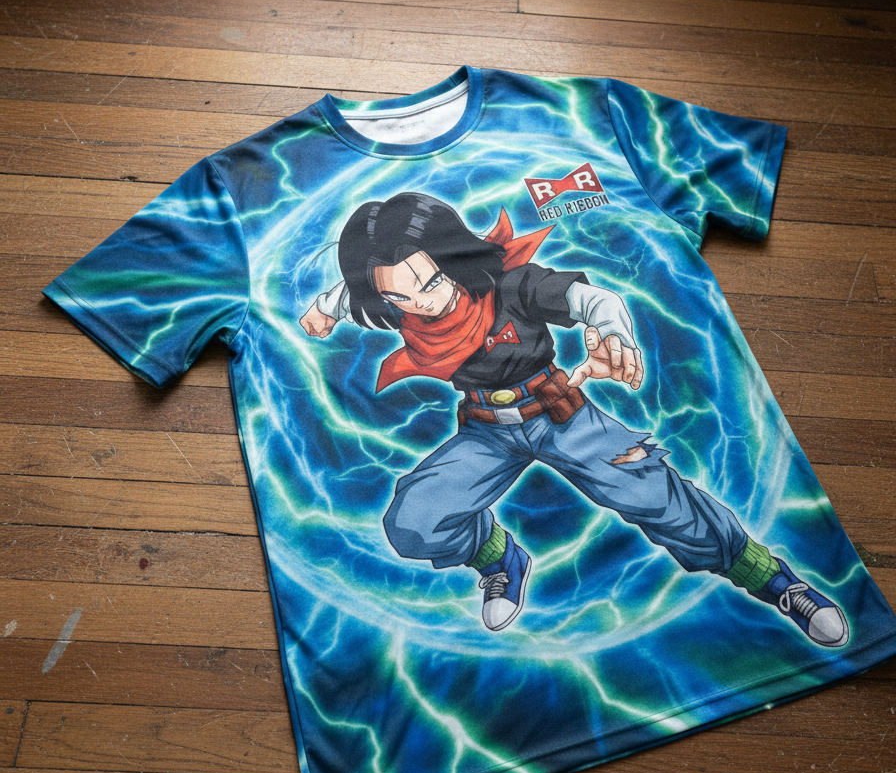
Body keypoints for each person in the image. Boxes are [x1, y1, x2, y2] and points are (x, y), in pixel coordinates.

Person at [301, 191, 848, 646]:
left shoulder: (509, 285)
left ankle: (775, 581)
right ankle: (500, 561)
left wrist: (612, 332)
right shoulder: (393, 299)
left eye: (431, 282)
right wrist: (324, 309)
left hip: (559, 411)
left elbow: (593, 299)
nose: (423, 303)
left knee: (654, 494)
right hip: (486, 431)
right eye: (401, 297)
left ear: (451, 257)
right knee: (413, 520)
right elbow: (352, 294)